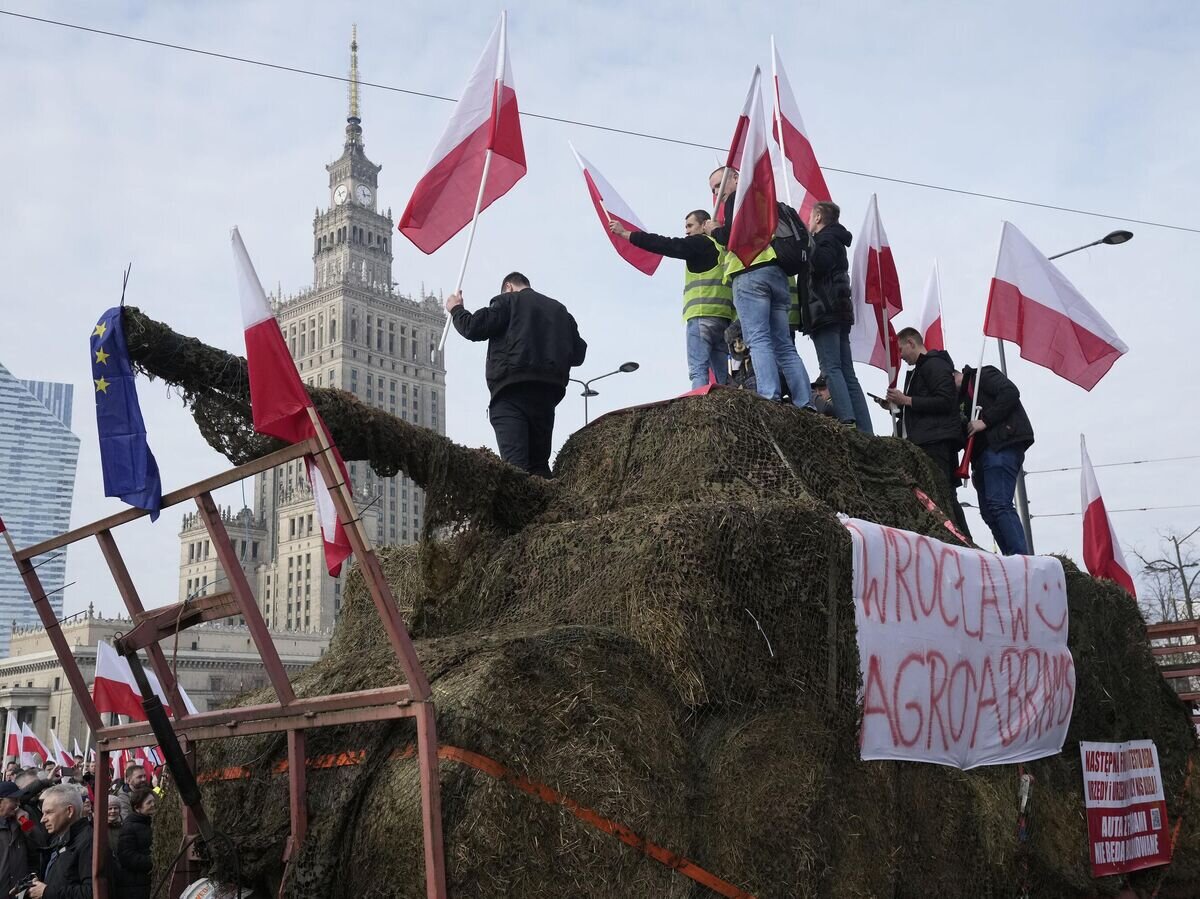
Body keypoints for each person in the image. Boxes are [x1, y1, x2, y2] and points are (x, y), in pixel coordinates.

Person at [447, 273, 587, 478]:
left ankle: (520, 507)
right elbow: (578, 354)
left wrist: (456, 309)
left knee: (515, 468)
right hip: (547, 394)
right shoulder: (560, 311)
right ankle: (548, 507)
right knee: (539, 464)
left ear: (508, 287)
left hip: (511, 391)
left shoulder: (506, 301)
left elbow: (474, 328)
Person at [703, 167, 813, 408]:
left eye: (719, 184)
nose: (716, 192)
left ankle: (769, 397)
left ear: (735, 178)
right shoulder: (766, 199)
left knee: (758, 339)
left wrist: (713, 230)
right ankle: (806, 402)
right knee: (783, 344)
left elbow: (732, 236)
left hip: (749, 274)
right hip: (775, 273)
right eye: (712, 188)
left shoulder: (737, 199)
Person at [609, 211, 733, 388]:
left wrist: (626, 234)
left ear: (705, 224)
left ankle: (697, 411)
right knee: (722, 374)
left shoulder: (699, 243)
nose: (687, 231)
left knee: (698, 370)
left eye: (690, 226)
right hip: (723, 319)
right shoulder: (723, 249)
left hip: (700, 316)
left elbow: (665, 244)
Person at [884, 328, 971, 538]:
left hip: (936, 441)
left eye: (901, 349)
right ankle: (955, 536)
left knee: (943, 493)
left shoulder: (934, 365)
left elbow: (945, 401)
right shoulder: (921, 370)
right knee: (939, 493)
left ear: (911, 342)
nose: (901, 356)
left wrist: (906, 400)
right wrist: (898, 406)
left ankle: (960, 538)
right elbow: (924, 406)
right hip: (927, 439)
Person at [802, 201, 874, 433]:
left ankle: (847, 421)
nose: (808, 222)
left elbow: (819, 264)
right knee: (846, 370)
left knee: (831, 368)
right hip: (839, 312)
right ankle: (864, 427)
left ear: (819, 217)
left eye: (811, 217)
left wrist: (807, 243)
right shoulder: (836, 239)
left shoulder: (825, 239)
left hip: (825, 312)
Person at [956, 363, 1034, 555]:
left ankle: (1022, 559)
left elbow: (1010, 392)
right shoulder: (959, 401)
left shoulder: (981, 375)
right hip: (982, 458)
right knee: (989, 513)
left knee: (998, 503)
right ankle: (1012, 557)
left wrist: (986, 420)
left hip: (1001, 446)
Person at [27, 784, 92, 899]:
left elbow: (91, 892)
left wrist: (47, 891)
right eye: (43, 813)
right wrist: (37, 885)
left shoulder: (88, 842)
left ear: (69, 811)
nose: (42, 819)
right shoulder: (57, 839)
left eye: (49, 812)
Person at [116, 787, 155, 899]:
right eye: (149, 803)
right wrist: (153, 861)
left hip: (147, 882)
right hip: (136, 886)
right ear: (137, 808)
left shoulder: (151, 823)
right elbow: (126, 857)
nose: (153, 804)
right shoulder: (129, 827)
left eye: (153, 801)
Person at [0, 781, 35, 897]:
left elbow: (39, 845)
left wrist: (27, 825)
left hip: (19, 893)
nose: (18, 804)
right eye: (14, 800)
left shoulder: (19, 821)